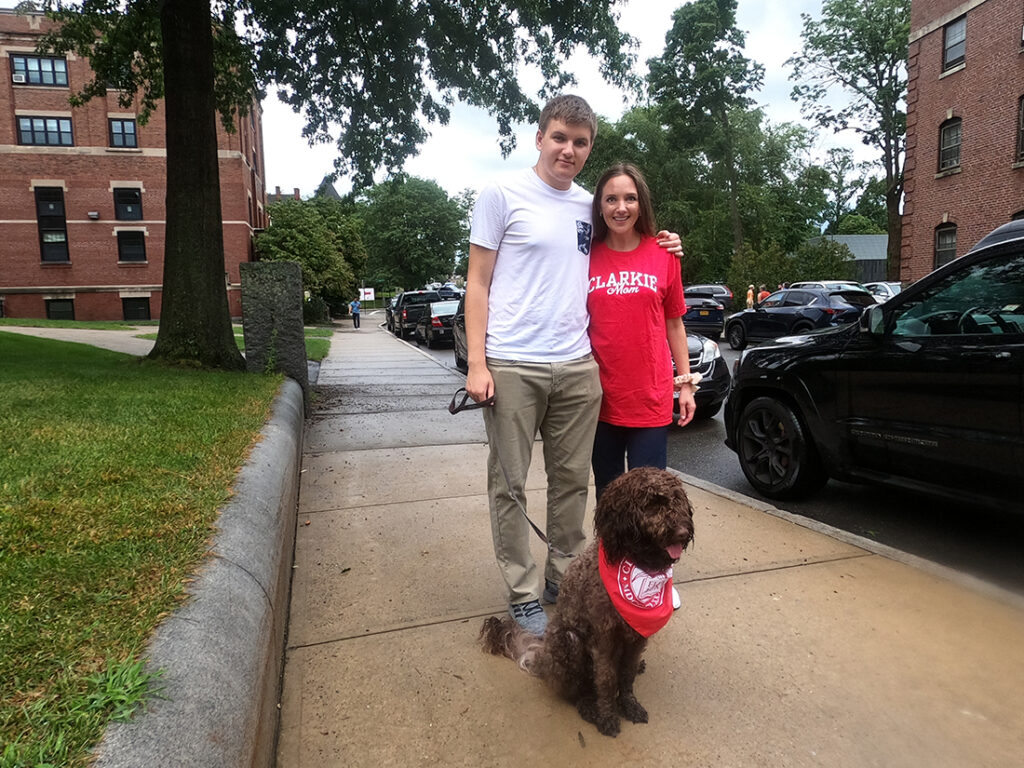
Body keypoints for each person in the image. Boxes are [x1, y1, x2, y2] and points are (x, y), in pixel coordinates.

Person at [464, 94, 680, 635]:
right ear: (540, 138)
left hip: (578, 367)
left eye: (580, 142)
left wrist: (666, 241)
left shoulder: (589, 205)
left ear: (589, 149)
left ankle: (563, 577)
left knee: (571, 485)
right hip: (513, 362)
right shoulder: (500, 194)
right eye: (559, 138)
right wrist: (477, 363)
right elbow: (478, 282)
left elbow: (632, 243)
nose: (569, 149)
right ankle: (521, 593)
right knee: (510, 485)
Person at [586, 163, 696, 612]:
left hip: (649, 398)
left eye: (629, 198)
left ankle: (657, 582)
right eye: (611, 198)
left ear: (641, 203)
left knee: (656, 506)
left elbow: (674, 322)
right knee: (611, 503)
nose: (620, 207)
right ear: (600, 206)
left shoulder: (663, 254)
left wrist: (684, 384)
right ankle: (612, 584)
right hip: (597, 400)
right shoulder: (585, 255)